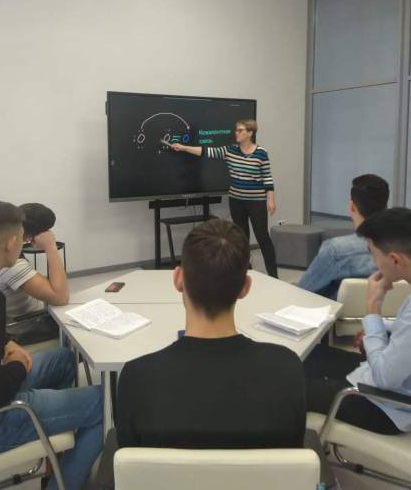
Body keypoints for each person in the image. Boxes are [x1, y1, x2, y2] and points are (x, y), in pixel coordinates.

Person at [117, 218, 305, 449]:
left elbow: (126, 462)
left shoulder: (137, 378)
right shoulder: (287, 369)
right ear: (245, 287)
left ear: (178, 279)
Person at [0, 201, 103, 490]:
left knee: (64, 359)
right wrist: (16, 366)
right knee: (105, 402)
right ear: (13, 242)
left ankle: (55, 456)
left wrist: (6, 342)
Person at [305, 207, 411, 435]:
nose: (373, 262)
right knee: (310, 356)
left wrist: (373, 309)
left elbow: (384, 378)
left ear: (395, 260)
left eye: (373, 255)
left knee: (292, 387)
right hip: (383, 381)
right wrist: (378, 328)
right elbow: (405, 331)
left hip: (388, 407)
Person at [172, 119, 278, 277]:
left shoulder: (261, 153)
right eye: (236, 130)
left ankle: (274, 276)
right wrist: (183, 147)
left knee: (263, 237)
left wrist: (271, 200)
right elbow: (206, 151)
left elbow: (267, 178)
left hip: (256, 202)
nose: (236, 133)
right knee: (241, 239)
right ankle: (243, 274)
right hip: (236, 201)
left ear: (250, 133)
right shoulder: (230, 150)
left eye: (240, 130)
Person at [298, 174, 389, 297]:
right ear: (386, 208)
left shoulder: (335, 250)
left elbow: (303, 290)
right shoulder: (402, 250)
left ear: (352, 206)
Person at [0, 203, 68, 343]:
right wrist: (50, 246)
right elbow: (61, 298)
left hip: (31, 317)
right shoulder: (11, 264)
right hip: (27, 326)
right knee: (77, 329)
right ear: (31, 236)